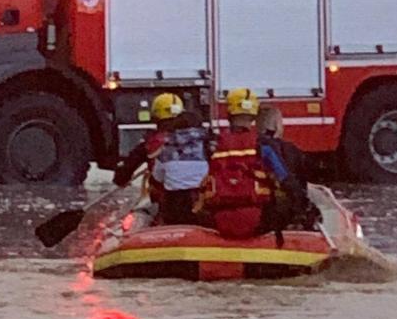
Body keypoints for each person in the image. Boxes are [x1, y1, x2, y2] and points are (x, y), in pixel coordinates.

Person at [113, 93, 209, 225]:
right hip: (201, 199)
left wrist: (121, 178)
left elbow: (125, 171)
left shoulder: (152, 143)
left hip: (167, 201)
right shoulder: (203, 139)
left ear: (156, 117)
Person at [195, 88, 277, 239]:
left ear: (229, 113)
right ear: (254, 115)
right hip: (258, 217)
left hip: (217, 218)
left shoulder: (213, 143)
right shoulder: (263, 144)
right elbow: (282, 176)